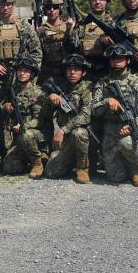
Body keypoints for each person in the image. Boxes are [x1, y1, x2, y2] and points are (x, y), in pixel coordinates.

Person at [91, 43, 138, 186]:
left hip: (131, 126)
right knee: (114, 178)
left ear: (128, 61)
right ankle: (123, 166)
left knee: (127, 143)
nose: (116, 61)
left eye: (120, 58)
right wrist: (107, 101)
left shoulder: (137, 83)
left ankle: (137, 168)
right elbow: (94, 108)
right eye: (113, 59)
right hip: (109, 127)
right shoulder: (103, 82)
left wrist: (131, 127)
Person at [43, 54, 93, 183]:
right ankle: (72, 162)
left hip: (85, 138)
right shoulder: (60, 87)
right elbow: (44, 113)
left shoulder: (87, 87)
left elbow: (85, 116)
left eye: (76, 69)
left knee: (79, 132)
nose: (72, 72)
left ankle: (83, 168)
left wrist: (62, 130)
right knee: (50, 172)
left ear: (84, 72)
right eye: (69, 69)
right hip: (67, 140)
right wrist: (51, 98)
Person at [0, 57, 49, 178]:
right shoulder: (13, 90)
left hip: (36, 134)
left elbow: (39, 120)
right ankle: (29, 160)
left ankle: (37, 162)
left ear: (32, 74)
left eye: (26, 71)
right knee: (9, 168)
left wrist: (24, 126)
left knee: (26, 134)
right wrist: (5, 106)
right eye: (20, 70)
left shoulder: (37, 93)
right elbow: (2, 105)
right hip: (18, 136)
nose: (22, 73)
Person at [65, 0, 114, 81]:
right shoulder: (81, 24)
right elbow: (70, 48)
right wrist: (69, 30)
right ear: (90, 1)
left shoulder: (114, 24)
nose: (97, 2)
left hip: (107, 71)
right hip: (84, 72)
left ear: (107, 2)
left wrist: (111, 45)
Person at [36, 0, 71, 84]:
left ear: (60, 8)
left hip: (65, 72)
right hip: (46, 73)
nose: (51, 10)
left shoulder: (68, 27)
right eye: (48, 7)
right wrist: (37, 35)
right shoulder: (40, 30)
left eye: (55, 7)